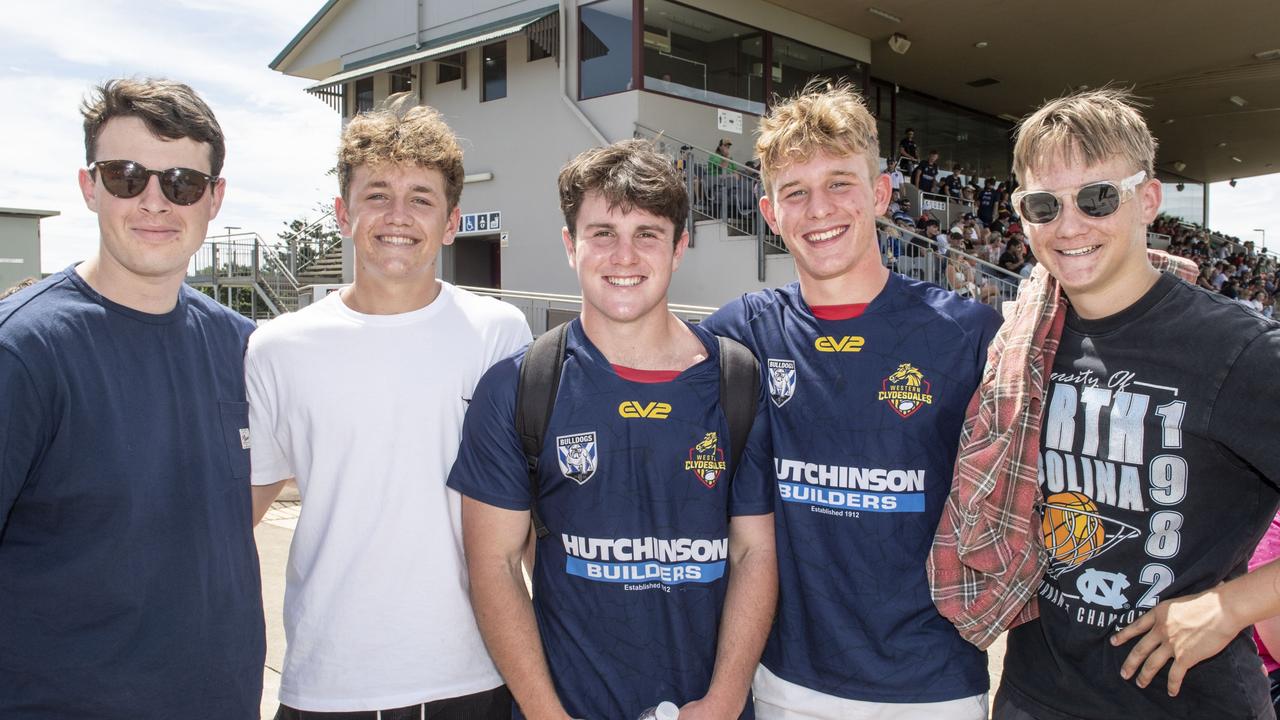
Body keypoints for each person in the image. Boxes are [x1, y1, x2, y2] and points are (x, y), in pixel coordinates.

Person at [700, 80, 1001, 720]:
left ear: (881, 194)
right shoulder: (742, 333)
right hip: (786, 682)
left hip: (933, 685)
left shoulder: (967, 334)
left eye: (840, 183)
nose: (820, 209)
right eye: (796, 192)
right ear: (770, 213)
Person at [448, 139, 777, 719]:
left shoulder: (737, 381)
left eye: (647, 234)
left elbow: (754, 553)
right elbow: (494, 567)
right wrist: (548, 715)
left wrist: (724, 701)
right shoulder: (518, 389)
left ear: (679, 249)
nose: (623, 256)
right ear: (571, 247)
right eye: (602, 233)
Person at [981, 87, 1280, 720]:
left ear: (1147, 199)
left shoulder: (1238, 349)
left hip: (1183, 701)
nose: (1069, 225)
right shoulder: (1025, 340)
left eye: (1097, 197)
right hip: (1036, 694)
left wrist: (1235, 605)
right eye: (1043, 204)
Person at [246, 100, 531, 718]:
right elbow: (239, 512)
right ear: (343, 213)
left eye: (422, 198)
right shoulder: (277, 348)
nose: (398, 216)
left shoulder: (498, 334)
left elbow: (529, 508)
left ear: (452, 221)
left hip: (475, 671)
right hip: (328, 679)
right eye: (377, 194)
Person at [0, 78, 265, 717]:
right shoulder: (24, 352)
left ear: (214, 198)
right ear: (89, 187)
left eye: (181, 183)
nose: (154, 202)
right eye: (126, 176)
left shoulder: (245, 348)